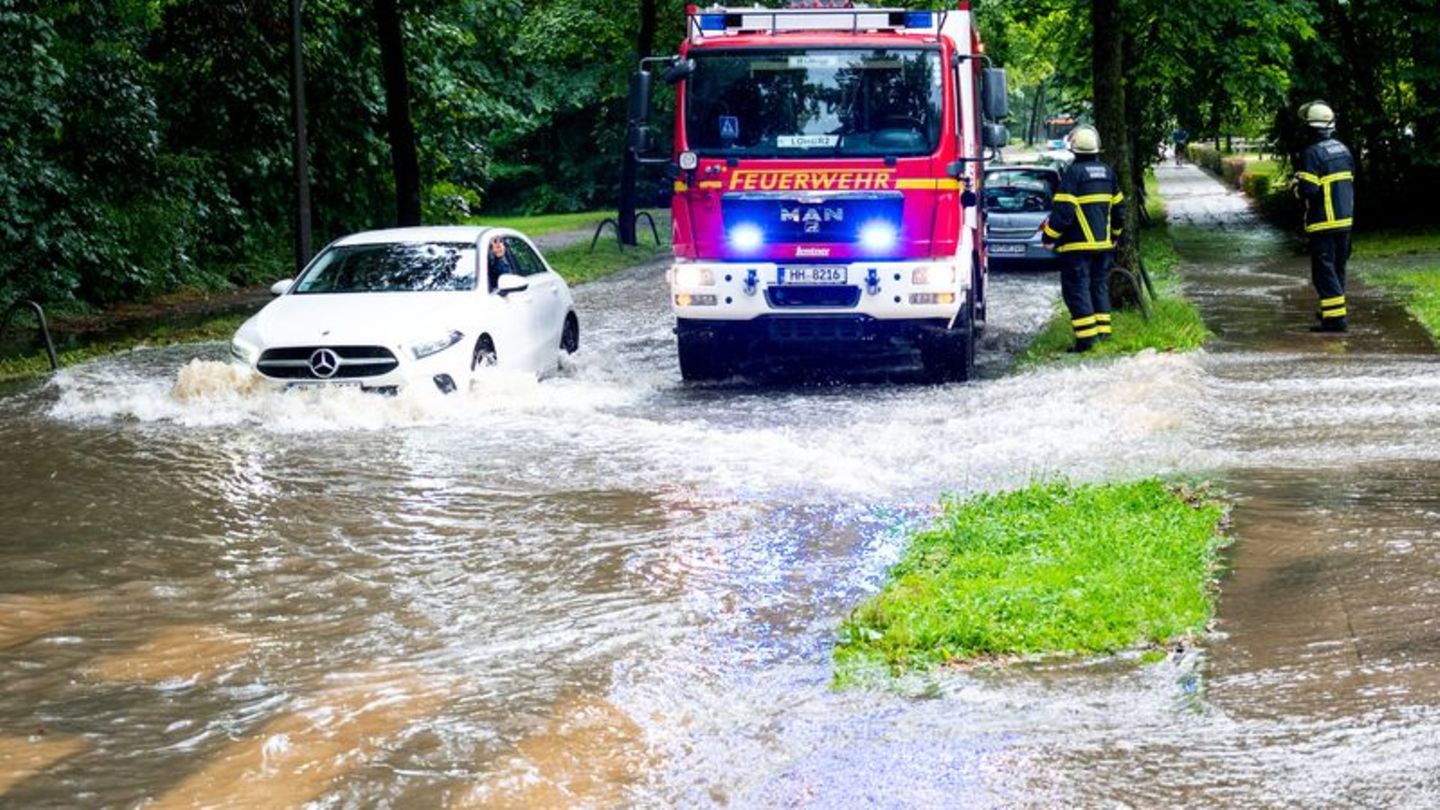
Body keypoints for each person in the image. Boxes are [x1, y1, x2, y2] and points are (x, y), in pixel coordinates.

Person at [1041, 124, 1126, 352]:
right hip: (1103, 247)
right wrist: (1115, 236)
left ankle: (1087, 341)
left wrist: (1048, 236)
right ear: (1097, 148)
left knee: (1077, 291)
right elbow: (1119, 210)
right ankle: (1103, 334)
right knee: (1098, 287)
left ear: (1074, 149)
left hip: (1076, 249)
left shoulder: (1073, 175)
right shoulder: (1108, 173)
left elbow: (1063, 214)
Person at [1294, 101, 1355, 333]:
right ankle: (1333, 312)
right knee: (1338, 268)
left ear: (1310, 127)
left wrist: (1295, 186)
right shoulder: (1343, 149)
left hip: (1323, 222)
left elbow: (1309, 190)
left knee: (1323, 271)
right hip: (1345, 221)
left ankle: (1335, 321)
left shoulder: (1311, 153)